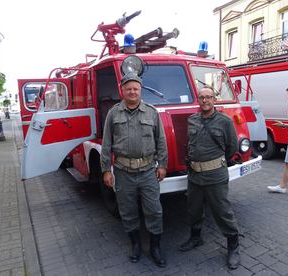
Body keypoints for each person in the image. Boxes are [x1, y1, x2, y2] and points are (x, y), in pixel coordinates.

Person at [100, 72, 168, 267]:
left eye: (135, 89)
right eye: (128, 88)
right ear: (122, 90)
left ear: (140, 90)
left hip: (148, 170)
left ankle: (155, 248)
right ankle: (136, 246)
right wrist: (106, 169)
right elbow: (106, 144)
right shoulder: (114, 113)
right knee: (128, 212)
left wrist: (162, 165)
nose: (132, 92)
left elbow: (160, 140)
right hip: (122, 172)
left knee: (154, 211)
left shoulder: (151, 112)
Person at [180, 85, 241, 270]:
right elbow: (190, 144)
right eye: (201, 97)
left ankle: (233, 246)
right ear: (198, 100)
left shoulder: (225, 121)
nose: (205, 100)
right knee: (193, 209)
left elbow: (231, 148)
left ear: (214, 99)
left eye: (209, 97)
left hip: (215, 174)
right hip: (194, 175)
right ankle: (196, 238)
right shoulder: (192, 120)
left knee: (222, 211)